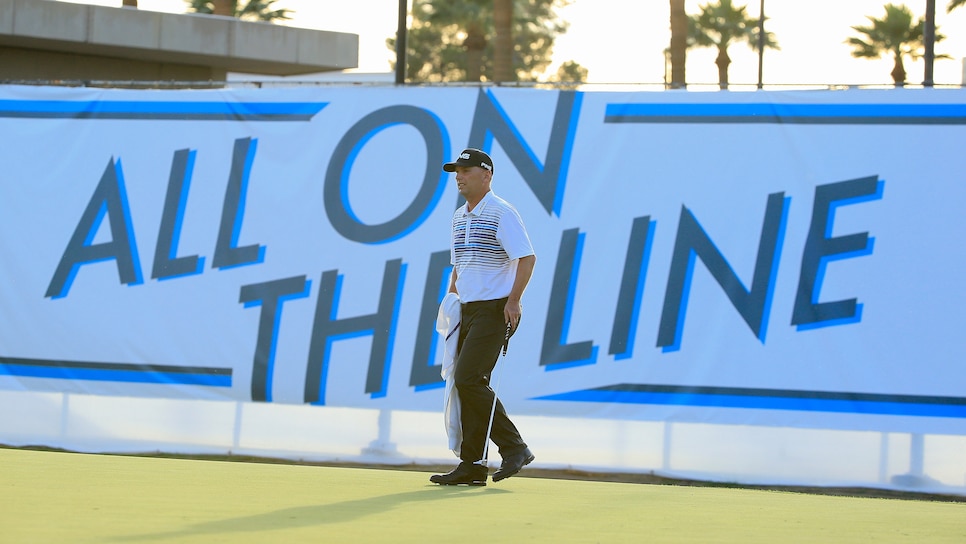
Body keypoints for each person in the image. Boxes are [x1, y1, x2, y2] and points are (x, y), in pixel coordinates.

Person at [430, 148, 537, 486]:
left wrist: (514, 301)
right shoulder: (459, 216)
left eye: (465, 170)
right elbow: (459, 266)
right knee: (466, 385)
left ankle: (515, 447)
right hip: (468, 310)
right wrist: (452, 300)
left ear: (486, 174)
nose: (458, 176)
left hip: (495, 309)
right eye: (456, 171)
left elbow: (527, 258)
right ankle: (473, 464)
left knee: (469, 380)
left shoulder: (501, 212)